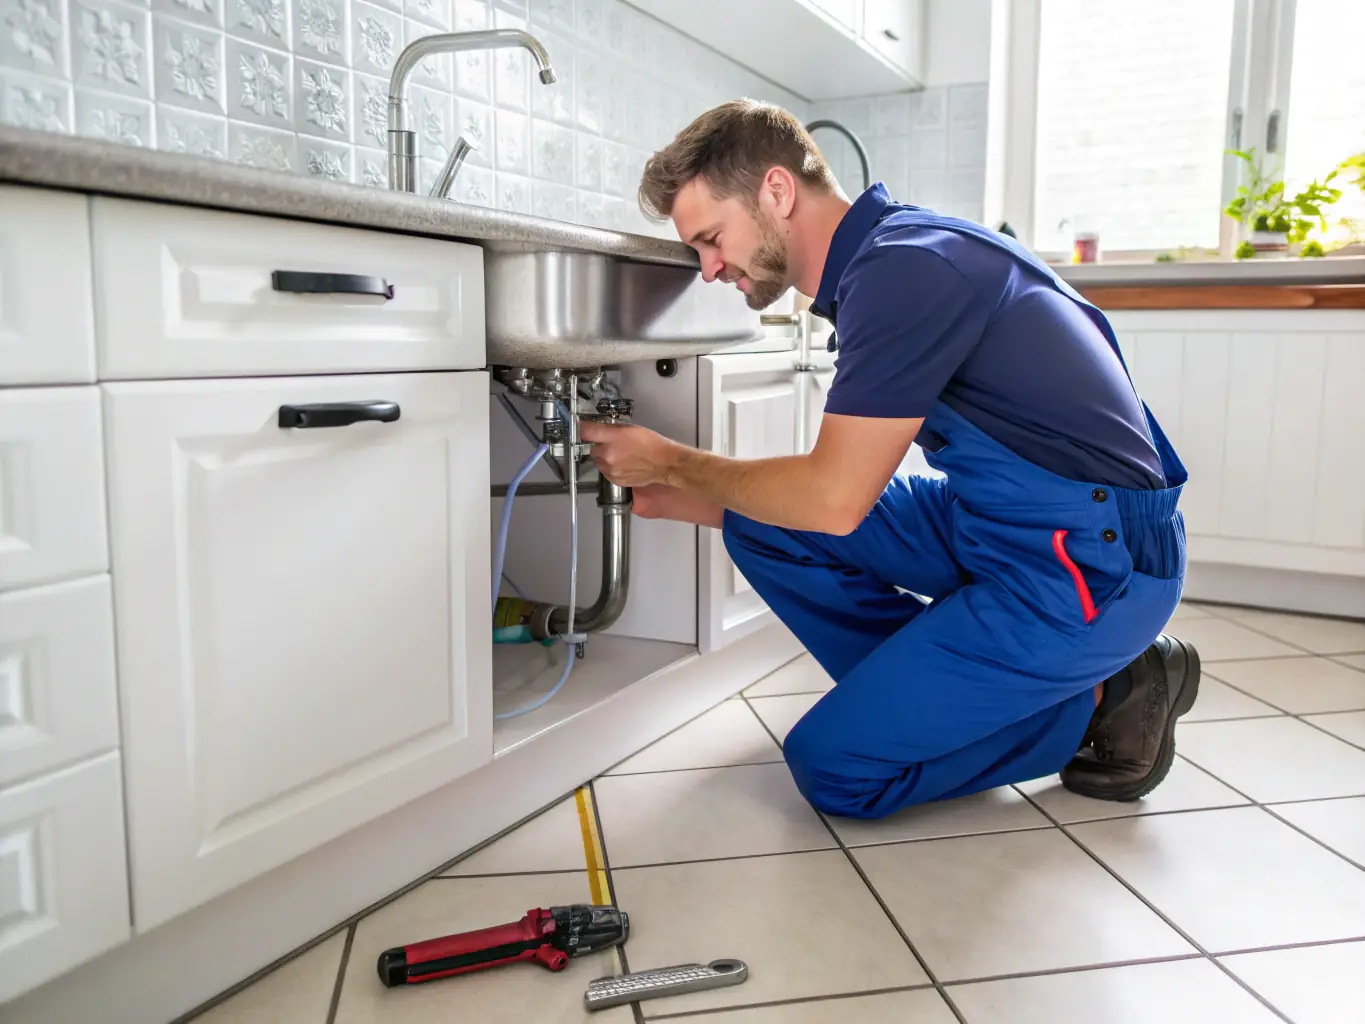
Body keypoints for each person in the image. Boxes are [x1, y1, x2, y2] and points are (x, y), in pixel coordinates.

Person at [577, 100, 1201, 820]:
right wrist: (677, 491)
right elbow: (821, 502)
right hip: (1005, 519)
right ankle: (933, 697)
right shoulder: (896, 254)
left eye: (712, 239)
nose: (710, 268)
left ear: (776, 192)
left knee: (834, 769)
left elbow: (834, 499)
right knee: (757, 521)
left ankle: (1103, 697)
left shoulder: (906, 269)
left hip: (1091, 562)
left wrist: (678, 464)